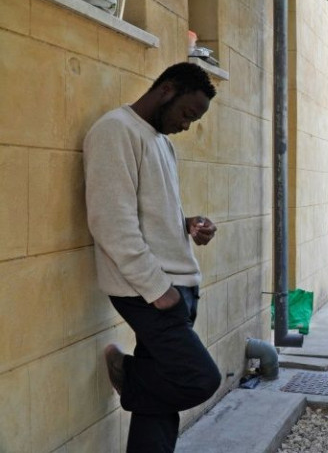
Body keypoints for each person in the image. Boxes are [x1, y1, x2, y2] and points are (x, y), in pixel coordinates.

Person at [83, 62, 222, 452]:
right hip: (151, 292)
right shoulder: (115, 131)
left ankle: (139, 380)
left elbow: (150, 214)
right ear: (167, 90)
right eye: (187, 114)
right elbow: (111, 221)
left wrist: (188, 223)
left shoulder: (160, 142)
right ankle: (130, 374)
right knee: (199, 379)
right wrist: (158, 289)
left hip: (174, 287)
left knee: (158, 411)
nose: (186, 125)